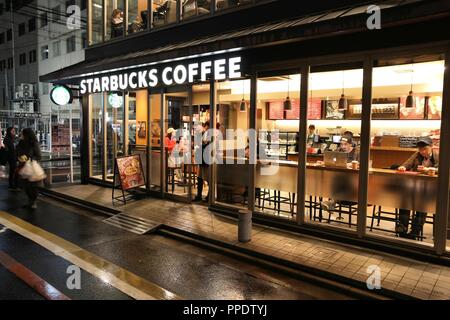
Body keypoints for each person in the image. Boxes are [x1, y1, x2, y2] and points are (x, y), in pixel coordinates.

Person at [396, 136, 438, 239]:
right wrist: (403, 167)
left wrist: (429, 169)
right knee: (404, 200)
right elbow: (407, 163)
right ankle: (402, 228)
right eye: (420, 149)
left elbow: (443, 169)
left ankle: (415, 231)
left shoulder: (438, 155)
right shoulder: (417, 155)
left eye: (425, 149)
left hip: (432, 189)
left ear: (431, 147)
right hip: (415, 186)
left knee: (422, 204)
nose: (422, 151)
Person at [16, 128, 42, 209]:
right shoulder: (21, 142)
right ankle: (30, 202)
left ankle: (33, 202)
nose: (21, 135)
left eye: (23, 134)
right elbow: (17, 152)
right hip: (23, 166)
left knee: (32, 186)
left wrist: (30, 159)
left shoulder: (34, 143)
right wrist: (20, 157)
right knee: (25, 186)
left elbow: (38, 156)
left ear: (27, 134)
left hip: (32, 167)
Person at [194, 121, 211, 202]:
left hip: (206, 159)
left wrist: (202, 144)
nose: (205, 127)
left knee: (207, 178)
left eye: (206, 126)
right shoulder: (206, 134)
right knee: (200, 178)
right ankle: (199, 195)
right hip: (203, 159)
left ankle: (207, 196)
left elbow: (207, 144)